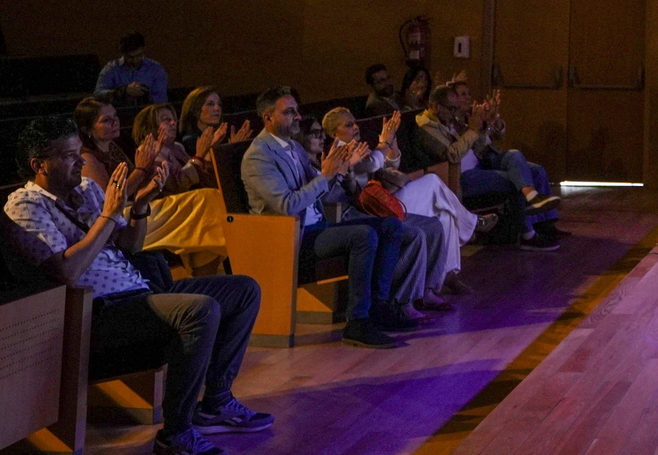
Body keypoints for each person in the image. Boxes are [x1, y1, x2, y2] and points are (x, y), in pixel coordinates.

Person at [0, 116, 271, 455]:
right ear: (38, 165)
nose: (81, 161)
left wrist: (140, 206)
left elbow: (130, 246)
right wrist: (107, 215)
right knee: (199, 310)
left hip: (138, 294)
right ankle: (176, 435)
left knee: (244, 289)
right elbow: (66, 272)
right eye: (69, 156)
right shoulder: (25, 205)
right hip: (95, 314)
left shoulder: (86, 191)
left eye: (79, 153)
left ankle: (216, 403)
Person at [239, 86, 427, 348]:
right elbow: (286, 205)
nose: (297, 116)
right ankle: (357, 321)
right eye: (289, 112)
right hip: (290, 238)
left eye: (296, 111)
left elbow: (323, 191)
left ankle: (379, 307)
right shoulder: (258, 157)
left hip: (316, 226)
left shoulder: (293, 147)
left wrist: (340, 173)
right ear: (268, 118)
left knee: (390, 226)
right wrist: (327, 175)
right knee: (363, 235)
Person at [326, 106, 486, 297]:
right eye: (348, 125)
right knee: (432, 182)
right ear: (333, 133)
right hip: (371, 209)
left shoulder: (356, 145)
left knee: (444, 214)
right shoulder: (339, 152)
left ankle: (446, 276)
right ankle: (472, 222)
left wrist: (391, 145)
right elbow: (371, 164)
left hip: (384, 199)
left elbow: (387, 166)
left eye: (355, 122)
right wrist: (384, 142)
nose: (355, 127)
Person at [407, 83, 563, 249]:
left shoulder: (448, 120)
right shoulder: (426, 126)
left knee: (523, 160)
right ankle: (527, 235)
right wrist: (473, 130)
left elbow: (478, 147)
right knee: (515, 180)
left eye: (456, 108)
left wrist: (483, 126)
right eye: (451, 109)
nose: (454, 113)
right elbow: (452, 155)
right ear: (436, 107)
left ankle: (541, 217)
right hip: (462, 177)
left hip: (480, 164)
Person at [131, 103, 227, 263]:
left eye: (174, 119)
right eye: (166, 120)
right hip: (163, 211)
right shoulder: (147, 151)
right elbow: (174, 185)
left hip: (186, 205)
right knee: (207, 200)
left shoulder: (177, 147)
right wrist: (198, 156)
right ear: (150, 126)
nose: (173, 123)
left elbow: (200, 177)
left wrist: (209, 150)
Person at [178, 87, 255, 174]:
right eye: (210, 104)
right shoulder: (190, 141)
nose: (217, 108)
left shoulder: (222, 135)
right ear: (195, 109)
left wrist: (234, 147)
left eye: (219, 104)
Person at [97, 32, 170, 104]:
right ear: (122, 53)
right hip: (118, 111)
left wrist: (144, 97)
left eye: (139, 55)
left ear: (143, 49)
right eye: (130, 57)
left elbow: (161, 99)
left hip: (148, 110)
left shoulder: (155, 69)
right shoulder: (111, 69)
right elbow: (98, 94)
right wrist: (123, 91)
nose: (135, 60)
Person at [76, 96, 132, 189]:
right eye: (106, 120)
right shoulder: (87, 158)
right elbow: (107, 195)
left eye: (115, 115)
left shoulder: (111, 145)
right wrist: (141, 171)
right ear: (87, 129)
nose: (115, 122)